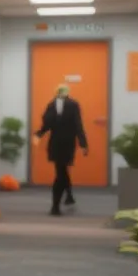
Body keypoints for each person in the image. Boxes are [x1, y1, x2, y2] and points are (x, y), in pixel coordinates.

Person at [34, 83, 89, 215]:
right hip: (66, 143)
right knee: (62, 171)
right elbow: (77, 125)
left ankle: (56, 205)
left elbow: (46, 123)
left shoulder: (52, 105)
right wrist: (83, 144)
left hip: (56, 143)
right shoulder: (72, 105)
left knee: (61, 171)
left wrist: (38, 134)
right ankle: (65, 198)